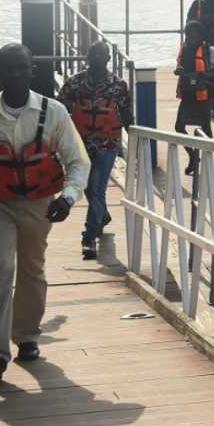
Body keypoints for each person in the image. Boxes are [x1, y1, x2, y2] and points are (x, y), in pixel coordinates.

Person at [0, 43, 90, 383]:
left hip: (39, 204)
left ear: (31, 72)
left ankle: (26, 335)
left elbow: (78, 161)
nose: (15, 75)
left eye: (21, 68)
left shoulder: (54, 112)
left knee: (32, 268)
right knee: (1, 267)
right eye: (8, 69)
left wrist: (68, 198)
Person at [57, 41, 133, 261]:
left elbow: (127, 115)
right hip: (80, 143)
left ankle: (89, 237)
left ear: (108, 58)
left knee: (98, 188)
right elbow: (59, 111)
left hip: (107, 144)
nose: (98, 59)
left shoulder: (119, 85)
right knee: (88, 187)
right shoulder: (74, 83)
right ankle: (102, 215)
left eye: (103, 55)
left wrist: (137, 145)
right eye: (94, 55)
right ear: (87, 58)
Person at [175, 21, 214, 175]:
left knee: (206, 129)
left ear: (201, 36)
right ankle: (193, 157)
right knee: (179, 127)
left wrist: (205, 75)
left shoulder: (211, 51)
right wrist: (178, 70)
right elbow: (180, 66)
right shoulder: (184, 49)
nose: (190, 38)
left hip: (204, 96)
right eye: (188, 35)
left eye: (193, 35)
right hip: (188, 95)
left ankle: (209, 162)